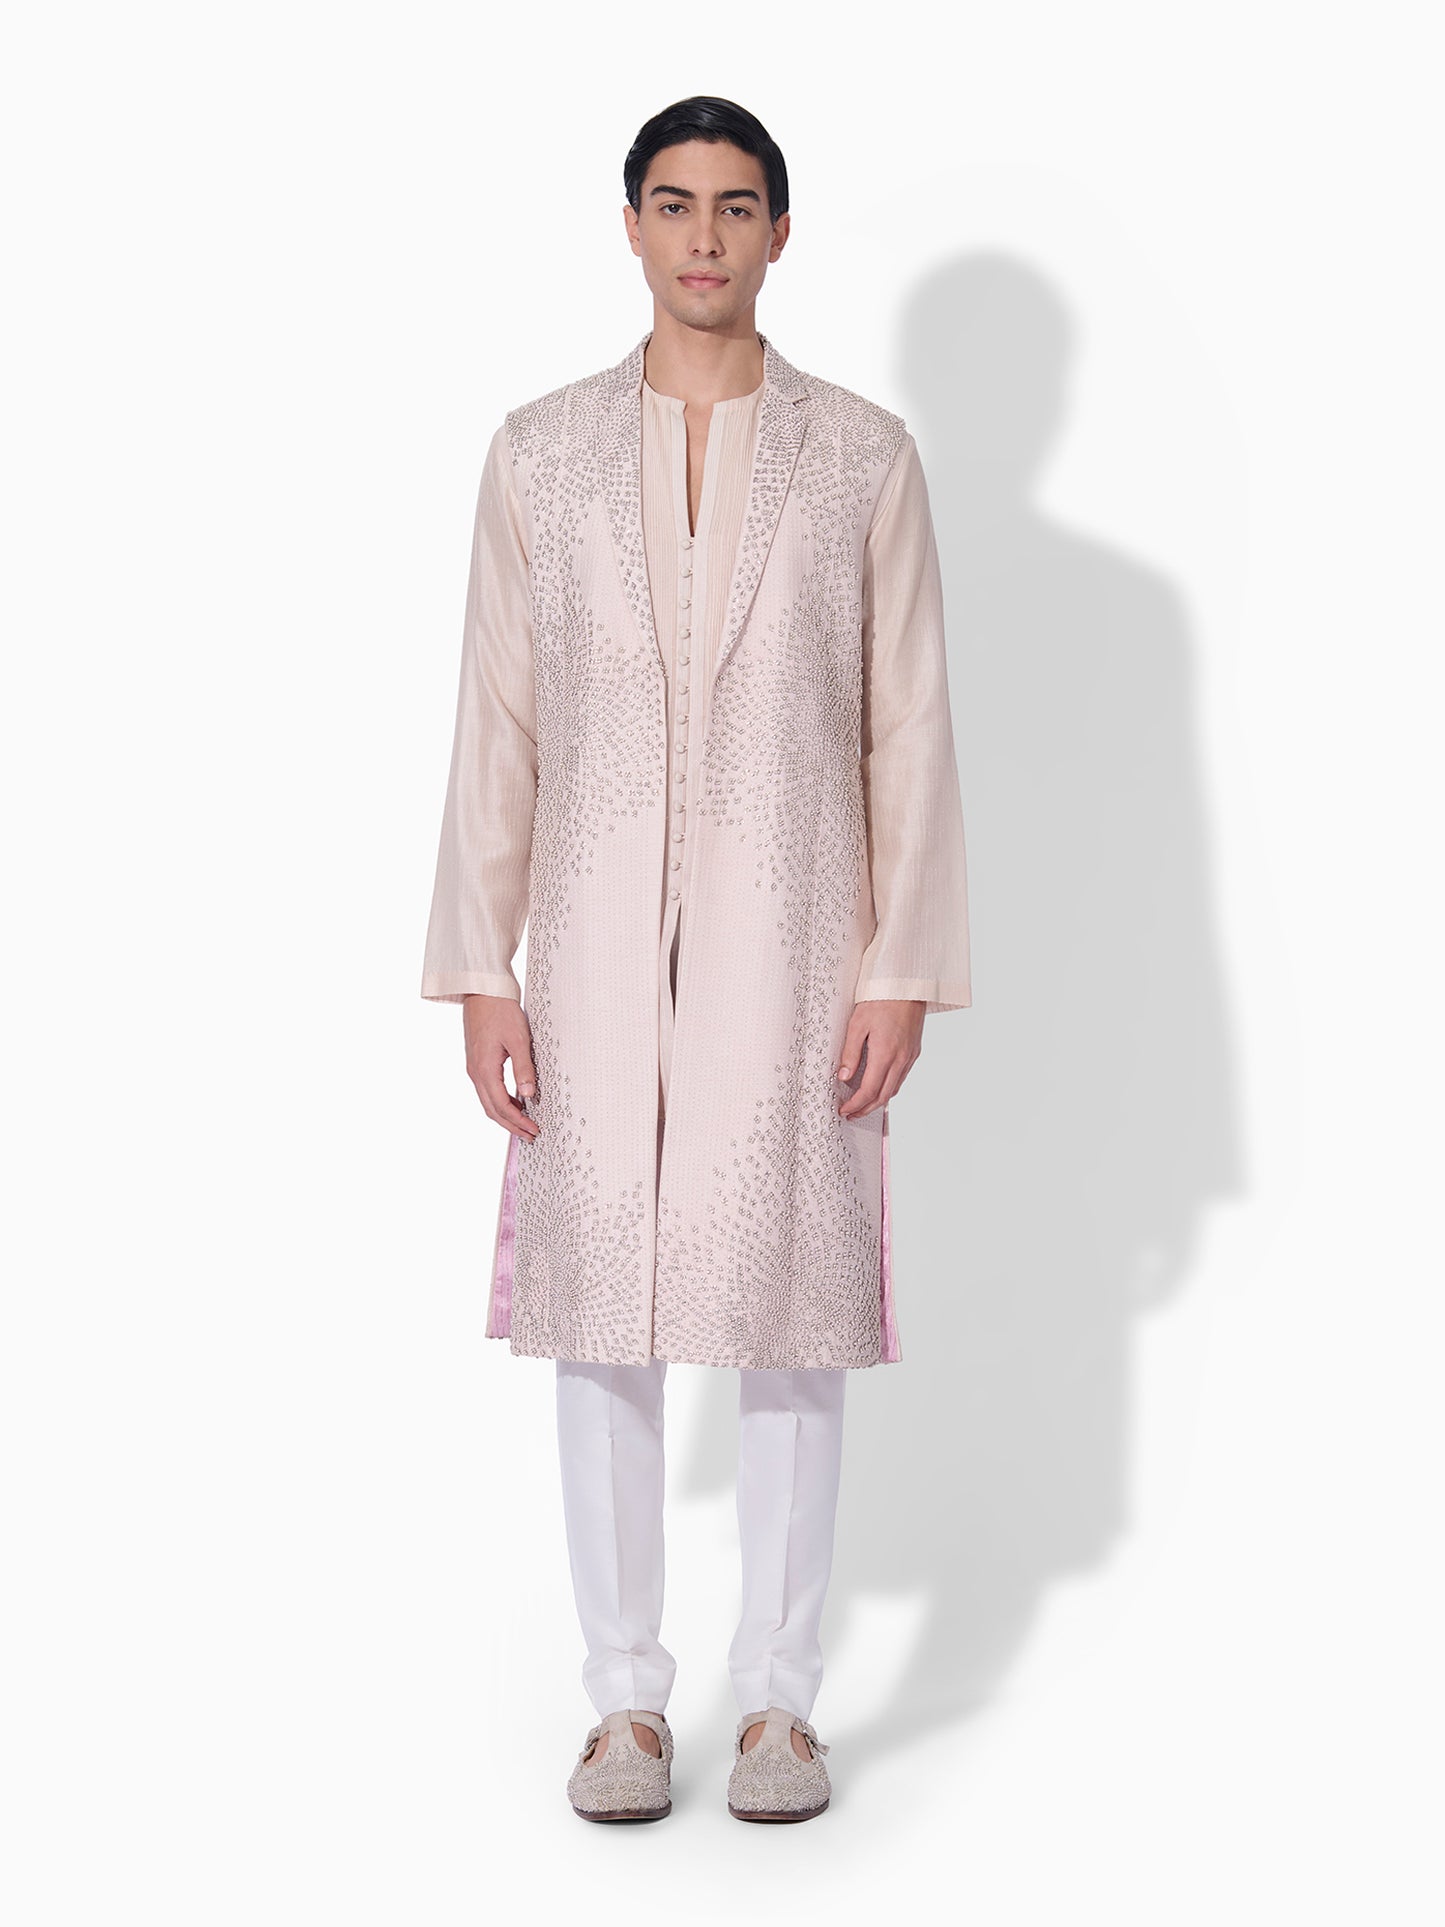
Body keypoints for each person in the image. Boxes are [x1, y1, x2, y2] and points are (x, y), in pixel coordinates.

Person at [421, 95, 971, 1824]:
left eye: (737, 206)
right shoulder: (538, 453)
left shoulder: (863, 456)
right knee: (604, 1313)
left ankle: (781, 1707)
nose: (706, 237)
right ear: (632, 228)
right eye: (675, 205)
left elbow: (907, 720)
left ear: (780, 233)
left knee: (788, 1310)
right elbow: (498, 716)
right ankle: (624, 1707)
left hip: (799, 932)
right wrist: (482, 964)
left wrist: (899, 962)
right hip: (589, 932)